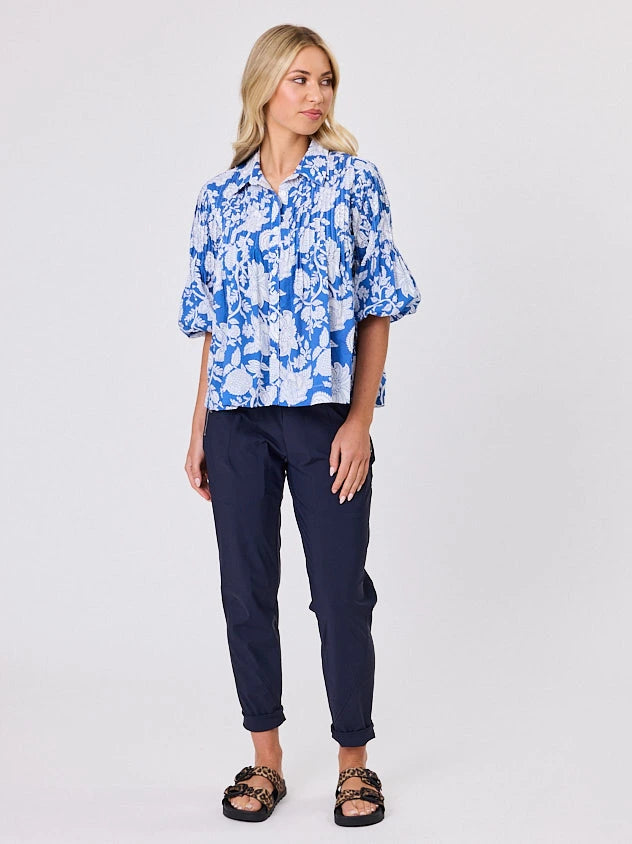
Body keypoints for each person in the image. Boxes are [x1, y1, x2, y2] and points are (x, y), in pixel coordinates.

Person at [177, 24, 421, 827]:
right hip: (238, 423)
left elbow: (379, 303)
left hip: (325, 420)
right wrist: (199, 426)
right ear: (264, 88)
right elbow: (214, 322)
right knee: (245, 594)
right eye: (300, 80)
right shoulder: (222, 198)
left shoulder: (353, 183)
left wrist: (360, 419)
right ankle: (266, 759)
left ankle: (355, 761)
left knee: (339, 593)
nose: (316, 95)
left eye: (326, 82)